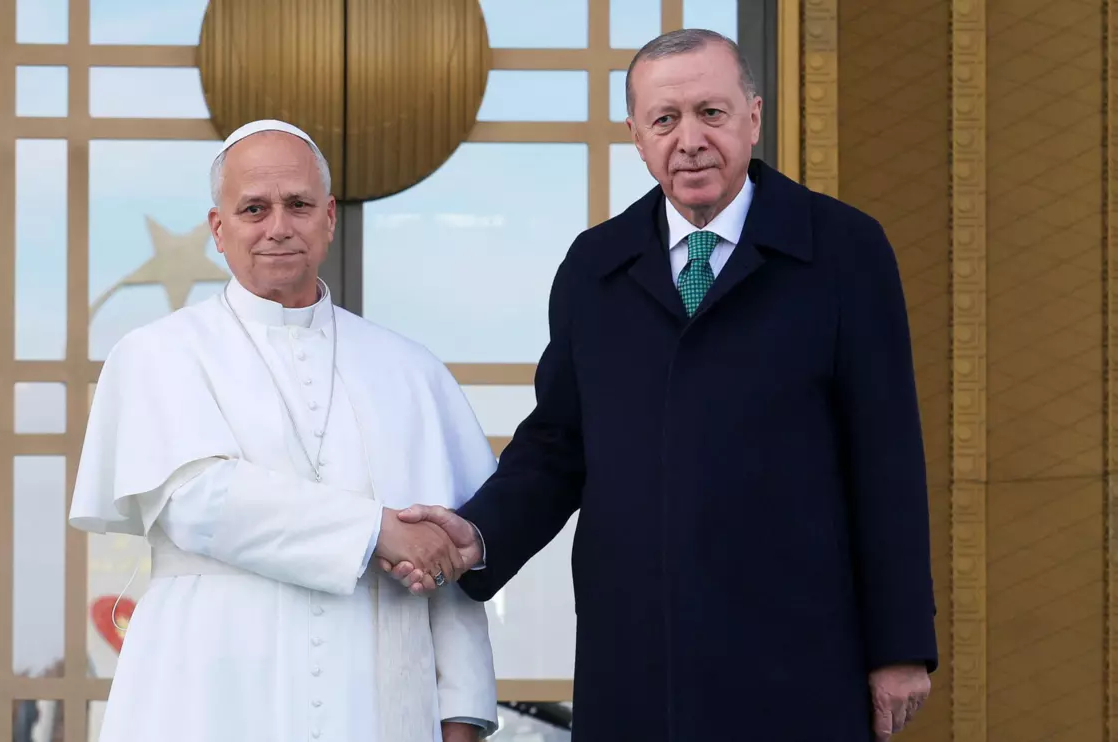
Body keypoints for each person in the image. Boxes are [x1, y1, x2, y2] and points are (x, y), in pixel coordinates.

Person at [381, 29, 938, 741]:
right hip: (638, 657)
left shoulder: (844, 251)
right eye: (665, 120)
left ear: (753, 118)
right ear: (636, 137)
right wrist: (477, 536)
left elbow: (884, 453)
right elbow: (557, 445)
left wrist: (897, 647)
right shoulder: (593, 266)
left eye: (711, 112)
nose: (690, 140)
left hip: (798, 653)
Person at [69, 119, 498, 742]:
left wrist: (462, 714)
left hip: (380, 703)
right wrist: (376, 530)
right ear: (219, 229)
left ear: (329, 218)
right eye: (254, 208)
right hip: (209, 692)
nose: (278, 227)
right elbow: (200, 500)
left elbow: (449, 557)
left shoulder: (412, 371)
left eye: (298, 205)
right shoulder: (157, 355)